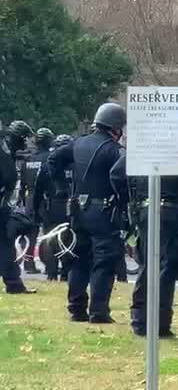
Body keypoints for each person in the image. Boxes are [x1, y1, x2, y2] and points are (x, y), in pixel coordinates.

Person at [112, 138, 178, 337]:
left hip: (143, 209)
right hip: (173, 212)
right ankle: (160, 323)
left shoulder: (142, 143)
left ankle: (140, 320)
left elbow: (116, 173)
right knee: (166, 267)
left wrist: (129, 200)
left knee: (147, 263)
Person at [48, 103, 127, 321]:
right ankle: (98, 311)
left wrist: (62, 189)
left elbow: (53, 160)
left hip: (77, 210)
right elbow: (122, 177)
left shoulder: (77, 143)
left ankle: (76, 309)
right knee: (104, 260)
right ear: (116, 127)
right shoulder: (115, 150)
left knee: (79, 259)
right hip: (103, 211)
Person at [32, 134, 75, 281]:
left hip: (51, 207)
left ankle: (51, 274)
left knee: (50, 240)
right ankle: (65, 273)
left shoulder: (47, 165)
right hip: (71, 207)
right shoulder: (77, 165)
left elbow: (37, 189)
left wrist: (36, 211)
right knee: (70, 239)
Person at [0, 120, 33, 294]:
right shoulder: (4, 153)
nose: (26, 143)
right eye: (24, 139)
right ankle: (13, 283)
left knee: (6, 244)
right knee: (6, 244)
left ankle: (14, 282)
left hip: (3, 204)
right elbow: (8, 178)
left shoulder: (7, 151)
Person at [18, 127, 55, 272]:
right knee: (48, 233)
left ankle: (28, 264)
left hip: (29, 198)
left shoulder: (28, 159)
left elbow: (23, 182)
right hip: (45, 199)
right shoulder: (49, 157)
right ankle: (49, 264)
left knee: (30, 234)